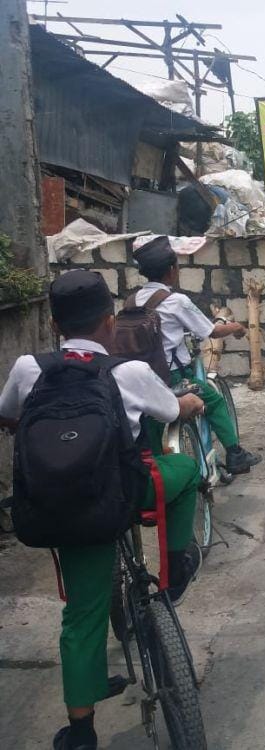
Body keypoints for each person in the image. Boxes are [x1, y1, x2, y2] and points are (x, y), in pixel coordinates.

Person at [0, 271, 205, 750]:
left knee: (82, 615)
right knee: (184, 471)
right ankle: (176, 567)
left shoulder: (29, 367)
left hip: (63, 510)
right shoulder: (127, 372)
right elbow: (172, 412)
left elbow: (7, 413)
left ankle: (81, 730)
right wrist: (191, 402)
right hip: (123, 495)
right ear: (109, 322)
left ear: (54, 324)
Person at [132, 237, 260, 474]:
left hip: (140, 379)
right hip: (173, 377)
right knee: (214, 401)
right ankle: (235, 455)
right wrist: (237, 328)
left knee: (151, 424)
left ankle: (158, 471)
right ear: (172, 270)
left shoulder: (133, 300)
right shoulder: (176, 301)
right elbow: (212, 330)